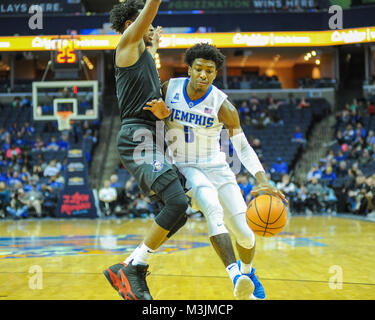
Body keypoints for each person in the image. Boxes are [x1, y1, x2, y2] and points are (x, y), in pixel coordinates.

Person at [144, 43, 287, 300]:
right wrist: (160, 119)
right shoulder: (169, 89)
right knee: (211, 206)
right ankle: (236, 277)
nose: (203, 74)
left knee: (245, 233)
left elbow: (242, 146)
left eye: (209, 71)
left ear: (215, 74)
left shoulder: (223, 105)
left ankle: (248, 272)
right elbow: (152, 118)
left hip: (218, 166)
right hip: (186, 166)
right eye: (198, 68)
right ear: (189, 69)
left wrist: (262, 179)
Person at [103, 0, 189, 301]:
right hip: (136, 134)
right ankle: (135, 269)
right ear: (132, 25)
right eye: (147, 26)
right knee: (177, 202)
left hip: (152, 136)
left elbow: (149, 61)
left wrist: (155, 47)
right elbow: (148, 11)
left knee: (179, 215)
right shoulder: (126, 44)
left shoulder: (143, 56)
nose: (150, 29)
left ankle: (127, 265)